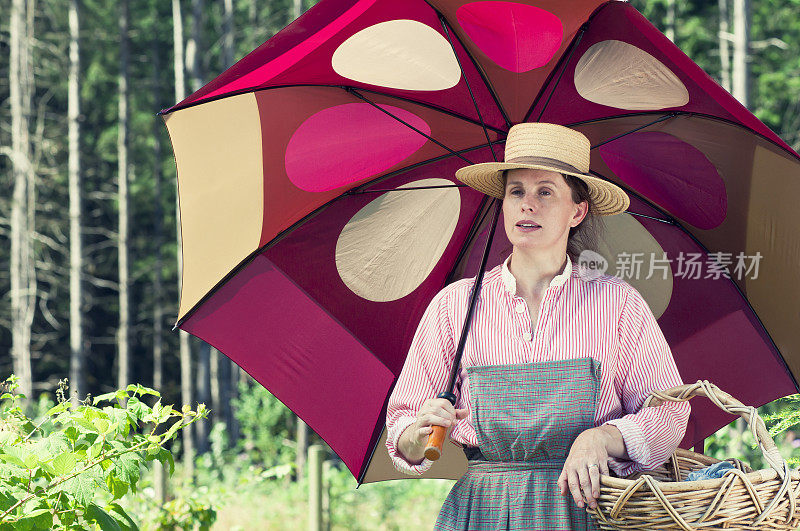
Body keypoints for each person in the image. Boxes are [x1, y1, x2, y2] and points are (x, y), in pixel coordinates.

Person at [384, 122, 691, 530]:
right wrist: (416, 435)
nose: (527, 204)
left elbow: (668, 414)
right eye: (516, 192)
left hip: (589, 508)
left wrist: (601, 438)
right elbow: (403, 427)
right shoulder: (454, 306)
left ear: (577, 210)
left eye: (545, 191)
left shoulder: (619, 304)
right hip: (482, 512)